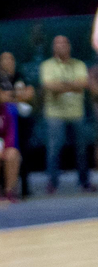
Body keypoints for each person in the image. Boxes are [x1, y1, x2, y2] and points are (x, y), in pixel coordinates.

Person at [39, 34, 92, 193]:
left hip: (76, 112)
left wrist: (61, 86)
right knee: (54, 148)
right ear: (53, 47)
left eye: (63, 43)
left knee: (81, 149)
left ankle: (84, 182)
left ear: (69, 46)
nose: (60, 46)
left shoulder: (79, 64)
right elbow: (49, 86)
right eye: (57, 43)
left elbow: (83, 83)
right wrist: (72, 86)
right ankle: (52, 183)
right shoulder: (47, 65)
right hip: (54, 113)